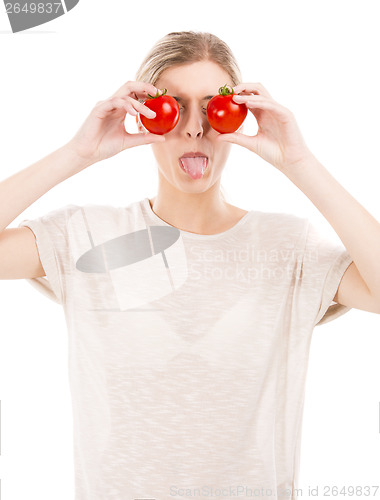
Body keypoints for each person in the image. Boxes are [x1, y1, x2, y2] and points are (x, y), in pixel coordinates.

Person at [1, 30, 379, 500]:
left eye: (214, 108)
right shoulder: (86, 236)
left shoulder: (288, 246)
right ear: (144, 118)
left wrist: (299, 162)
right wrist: (77, 154)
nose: (195, 128)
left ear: (239, 117)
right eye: (173, 107)